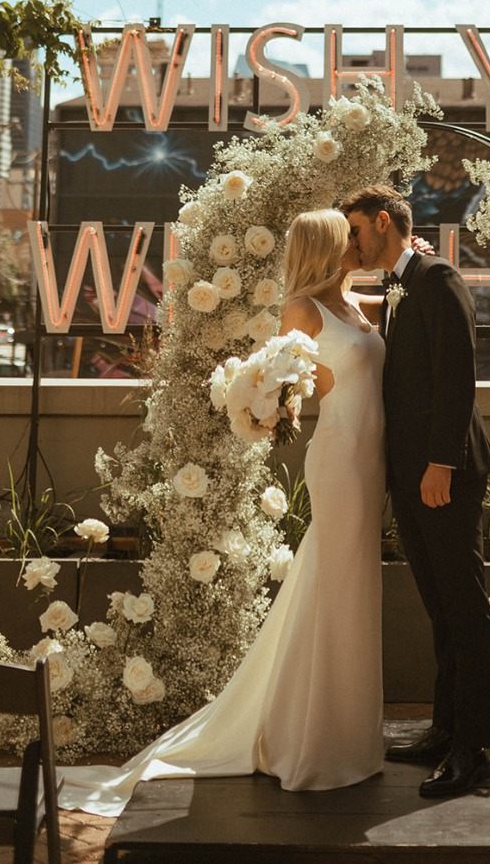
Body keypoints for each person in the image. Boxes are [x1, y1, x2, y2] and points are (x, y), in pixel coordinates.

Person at [59, 208, 386, 814]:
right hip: (340, 458)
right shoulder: (302, 311)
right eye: (349, 237)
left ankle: (348, 734)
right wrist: (269, 406)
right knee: (331, 587)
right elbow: (279, 386)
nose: (360, 244)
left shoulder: (354, 304)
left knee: (352, 590)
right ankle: (309, 743)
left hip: (372, 462)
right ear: (326, 247)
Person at [339, 184, 490, 799]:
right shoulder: (404, 283)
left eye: (357, 231)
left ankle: (473, 750)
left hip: (444, 474)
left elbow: (459, 376)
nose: (352, 244)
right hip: (412, 475)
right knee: (438, 604)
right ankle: (443, 730)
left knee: (464, 608)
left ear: (384, 222)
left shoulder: (437, 279)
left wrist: (441, 464)